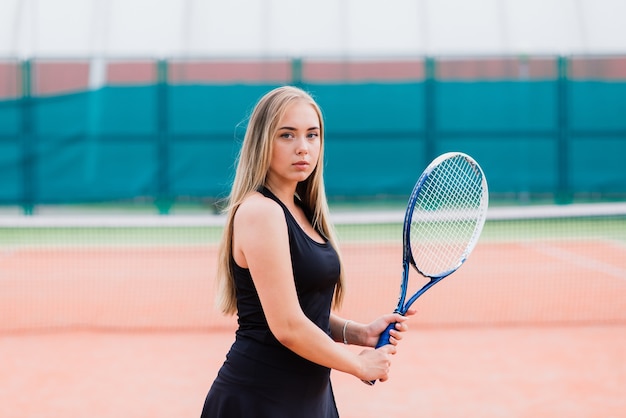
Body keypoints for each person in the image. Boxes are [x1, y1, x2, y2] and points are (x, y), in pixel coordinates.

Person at [200, 86, 414, 417]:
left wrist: (359, 333)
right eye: (287, 135)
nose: (303, 148)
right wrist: (359, 366)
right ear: (263, 142)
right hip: (259, 401)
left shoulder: (303, 211)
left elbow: (304, 310)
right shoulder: (261, 212)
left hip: (310, 401)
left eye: (312, 135)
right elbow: (287, 325)